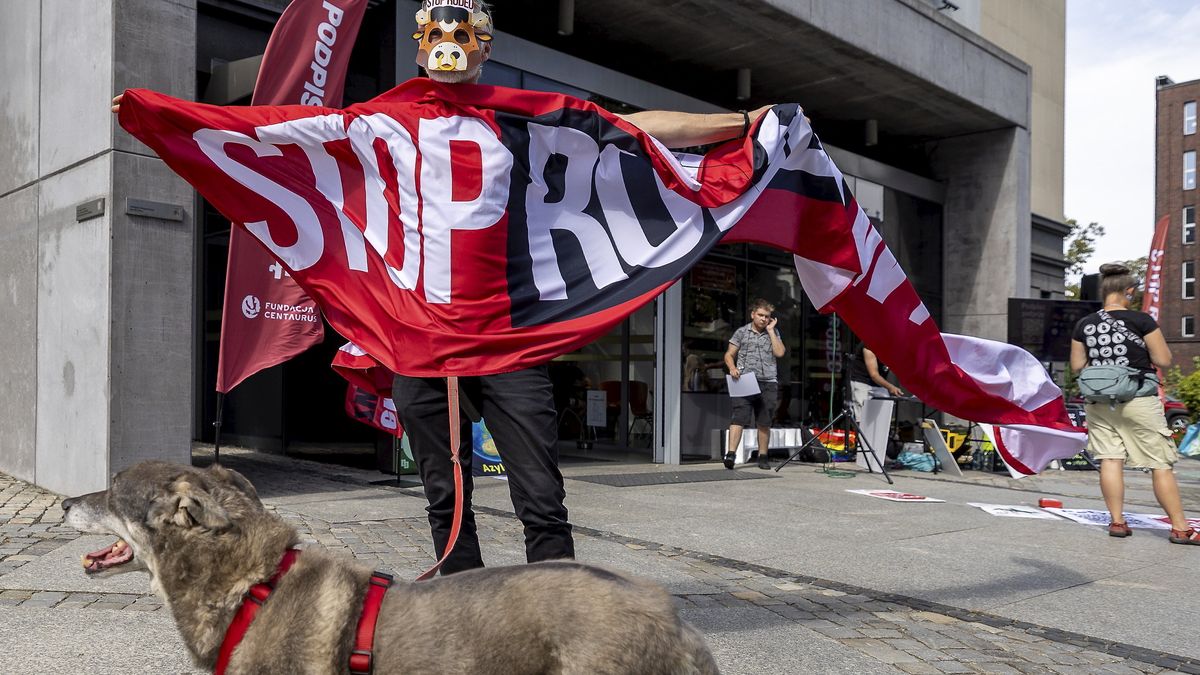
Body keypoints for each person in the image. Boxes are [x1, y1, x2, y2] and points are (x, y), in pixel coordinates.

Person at [110, 0, 785, 574]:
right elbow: (268, 130)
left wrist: (738, 126)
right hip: (418, 341)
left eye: (463, 34)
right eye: (436, 31)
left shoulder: (520, 119)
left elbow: (632, 130)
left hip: (506, 339)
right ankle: (466, 617)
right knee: (444, 493)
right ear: (418, 41)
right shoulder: (383, 120)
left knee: (541, 495)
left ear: (483, 45)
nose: (449, 45)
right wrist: (163, 113)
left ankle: (561, 614)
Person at [1069, 262, 1199, 546]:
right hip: (1138, 398)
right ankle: (1180, 528)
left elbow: (1077, 365)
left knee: (1110, 459)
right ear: (1129, 291)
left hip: (1099, 402)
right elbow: (1164, 360)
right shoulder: (1141, 321)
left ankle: (1117, 521)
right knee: (1159, 463)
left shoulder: (1084, 324)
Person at [723, 299, 786, 470]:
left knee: (764, 421)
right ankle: (730, 454)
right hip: (744, 380)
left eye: (767, 316)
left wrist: (771, 331)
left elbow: (780, 353)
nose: (763, 319)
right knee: (739, 417)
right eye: (760, 315)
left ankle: (763, 456)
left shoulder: (774, 332)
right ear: (753, 314)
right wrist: (732, 367)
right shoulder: (741, 332)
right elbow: (729, 355)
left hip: (768, 382)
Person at [847, 342, 904, 424]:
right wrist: (891, 387)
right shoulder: (869, 345)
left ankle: (881, 435)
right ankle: (860, 435)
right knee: (862, 419)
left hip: (879, 385)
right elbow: (874, 375)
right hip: (863, 383)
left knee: (884, 415)